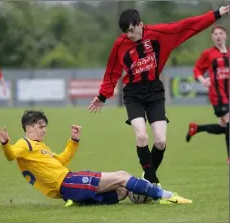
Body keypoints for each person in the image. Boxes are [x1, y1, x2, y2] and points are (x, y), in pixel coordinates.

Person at [88, 6, 230, 185]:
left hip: (155, 91)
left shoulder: (159, 33)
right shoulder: (120, 44)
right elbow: (112, 71)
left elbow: (188, 25)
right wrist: (102, 96)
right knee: (141, 137)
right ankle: (151, 181)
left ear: (140, 24)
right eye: (125, 32)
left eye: (131, 30)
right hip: (133, 94)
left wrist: (216, 13)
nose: (129, 35)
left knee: (161, 142)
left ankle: (144, 180)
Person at [0, 110, 192, 206]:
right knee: (122, 175)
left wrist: (73, 140)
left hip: (69, 182)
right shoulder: (24, 144)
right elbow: (11, 156)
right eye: (40, 127)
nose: (44, 130)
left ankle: (80, 202)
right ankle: (165, 196)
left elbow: (61, 161)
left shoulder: (39, 147)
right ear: (28, 128)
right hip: (68, 183)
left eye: (45, 127)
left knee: (122, 191)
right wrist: (5, 144)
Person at [185, 25, 229, 164]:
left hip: (228, 94)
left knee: (224, 127)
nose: (218, 36)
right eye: (215, 34)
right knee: (229, 123)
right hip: (218, 95)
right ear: (212, 37)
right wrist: (203, 80)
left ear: (225, 35)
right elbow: (197, 69)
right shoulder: (208, 54)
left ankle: (197, 128)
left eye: (221, 33)